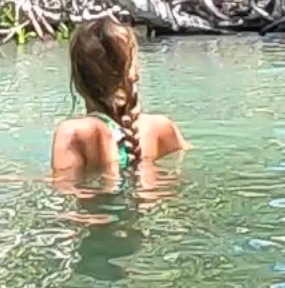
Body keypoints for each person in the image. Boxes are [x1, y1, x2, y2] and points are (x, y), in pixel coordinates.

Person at [51, 16, 189, 177]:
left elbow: (63, 186)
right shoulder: (162, 127)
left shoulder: (73, 133)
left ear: (78, 79)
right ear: (134, 72)